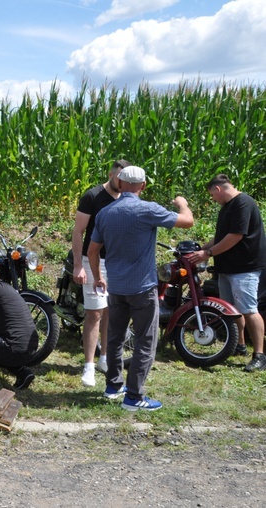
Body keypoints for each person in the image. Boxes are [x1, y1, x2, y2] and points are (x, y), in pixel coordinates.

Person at [88, 165, 193, 411]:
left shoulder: (105, 213)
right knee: (146, 341)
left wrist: (97, 277)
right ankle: (134, 397)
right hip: (143, 288)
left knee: (114, 338)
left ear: (120, 184)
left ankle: (113, 386)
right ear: (143, 186)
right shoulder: (148, 210)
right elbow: (187, 222)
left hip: (116, 287)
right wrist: (182, 203)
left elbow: (92, 250)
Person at [189, 174, 266, 372]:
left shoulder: (243, 204)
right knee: (230, 310)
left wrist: (207, 253)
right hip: (227, 267)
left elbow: (235, 236)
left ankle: (259, 355)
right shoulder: (227, 207)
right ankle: (238, 345)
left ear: (218, 189)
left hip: (244, 268)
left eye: (212, 195)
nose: (212, 199)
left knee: (249, 309)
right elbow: (220, 238)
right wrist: (201, 250)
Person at [72, 159, 130, 387]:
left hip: (119, 263)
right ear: (110, 174)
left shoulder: (129, 197)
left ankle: (104, 359)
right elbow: (78, 231)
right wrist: (78, 264)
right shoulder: (92, 196)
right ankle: (88, 366)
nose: (122, 182)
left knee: (111, 312)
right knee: (94, 312)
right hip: (94, 260)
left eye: (126, 179)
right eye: (119, 177)